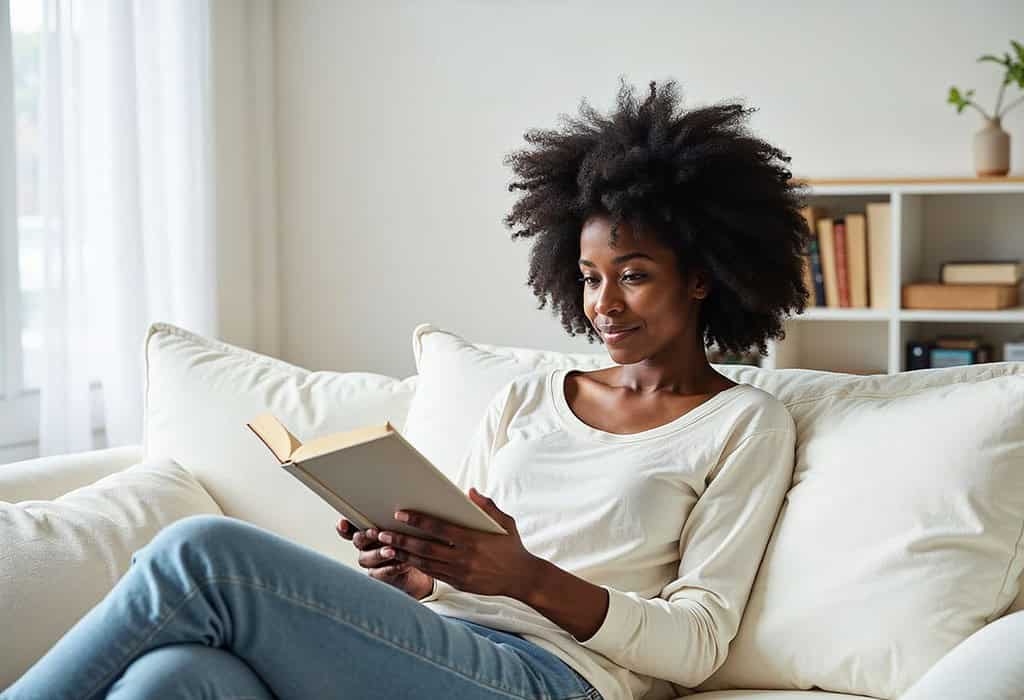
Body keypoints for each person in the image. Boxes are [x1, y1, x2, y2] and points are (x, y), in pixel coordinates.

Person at [2, 78, 810, 700]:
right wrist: (421, 572)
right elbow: (468, 575)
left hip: (555, 680)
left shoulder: (743, 424)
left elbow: (700, 643)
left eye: (634, 276)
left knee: (201, 552)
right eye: (591, 277)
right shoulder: (528, 400)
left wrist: (525, 577)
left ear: (704, 278)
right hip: (441, 644)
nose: (604, 303)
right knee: (172, 680)